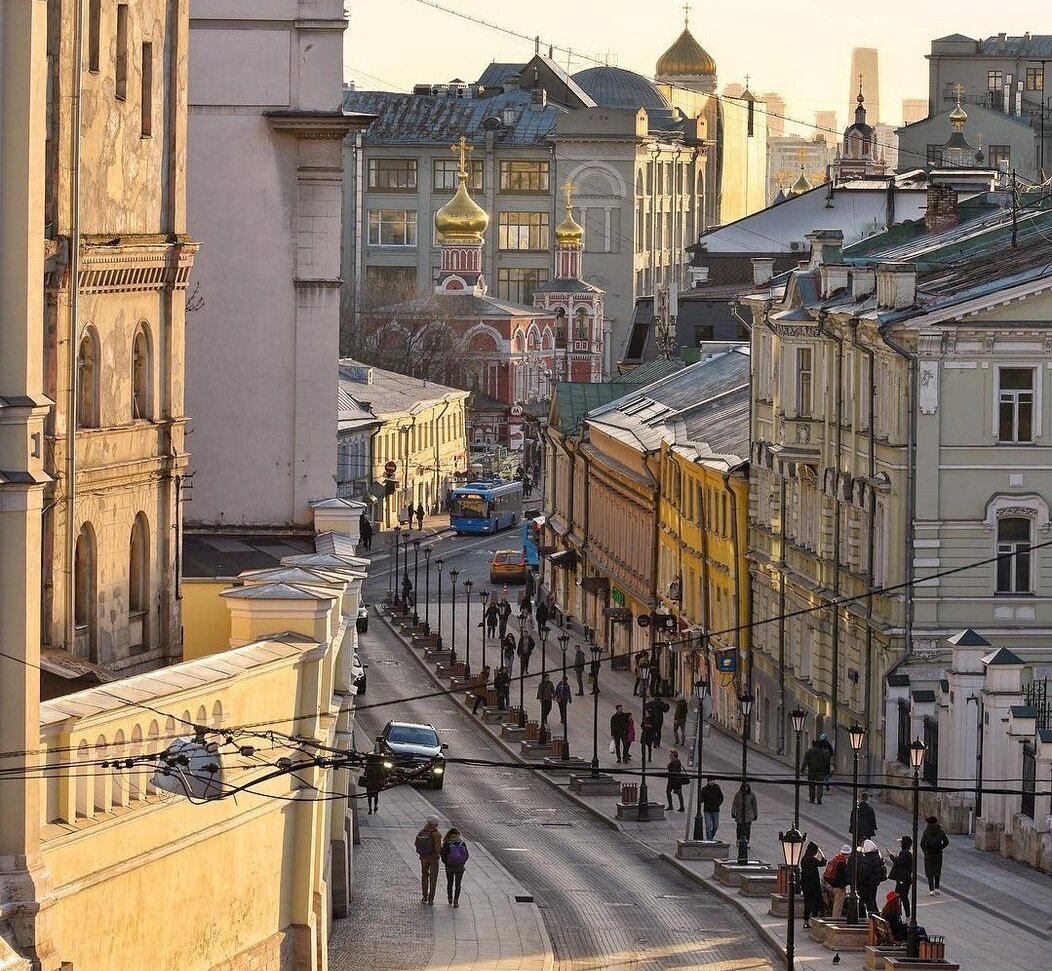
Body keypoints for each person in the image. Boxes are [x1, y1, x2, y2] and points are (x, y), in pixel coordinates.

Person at [414, 815, 442, 905]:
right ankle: (431, 899)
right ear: (436, 824)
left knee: (424, 876)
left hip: (423, 858)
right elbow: (438, 848)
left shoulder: (422, 832)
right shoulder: (437, 834)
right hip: (433, 859)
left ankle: (424, 896)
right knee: (433, 879)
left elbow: (416, 843)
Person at [800, 841, 827, 928]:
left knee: (807, 903)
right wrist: (821, 852)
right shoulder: (812, 859)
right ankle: (814, 922)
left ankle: (806, 921)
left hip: (805, 885)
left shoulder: (804, 859)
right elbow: (823, 863)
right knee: (816, 903)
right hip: (814, 885)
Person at [440, 827, 469, 907]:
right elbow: (466, 855)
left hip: (449, 866)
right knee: (458, 884)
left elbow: (443, 855)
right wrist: (462, 862)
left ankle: (450, 898)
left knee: (450, 883)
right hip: (460, 866)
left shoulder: (447, 843)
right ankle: (456, 901)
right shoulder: (462, 843)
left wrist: (446, 863)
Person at [857, 838, 887, 918]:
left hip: (866, 885)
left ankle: (870, 918)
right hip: (874, 883)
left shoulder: (868, 859)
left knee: (864, 902)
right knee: (872, 901)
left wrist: (859, 882)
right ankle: (876, 917)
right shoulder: (877, 856)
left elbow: (864, 873)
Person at [920, 815, 949, 894]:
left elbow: (922, 843)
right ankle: (937, 888)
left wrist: (925, 851)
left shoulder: (926, 831)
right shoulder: (940, 831)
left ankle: (931, 889)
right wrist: (940, 848)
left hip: (929, 854)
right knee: (937, 870)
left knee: (930, 871)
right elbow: (946, 842)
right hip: (938, 854)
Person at [886, 835, 913, 918]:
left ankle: (901, 915)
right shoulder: (908, 852)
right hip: (905, 878)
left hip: (903, 879)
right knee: (902, 897)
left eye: (901, 842)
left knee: (901, 897)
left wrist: (891, 855)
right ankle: (903, 914)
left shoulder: (905, 852)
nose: (900, 844)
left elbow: (899, 863)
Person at [824, 844, 851, 919]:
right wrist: (845, 884)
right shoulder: (842, 862)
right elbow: (841, 877)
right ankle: (835, 920)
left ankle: (835, 918)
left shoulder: (836, 858)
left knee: (835, 905)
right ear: (847, 854)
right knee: (838, 906)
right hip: (839, 888)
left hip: (831, 885)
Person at [801, 740, 832, 804]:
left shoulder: (809, 752)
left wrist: (802, 769)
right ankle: (819, 798)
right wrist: (826, 769)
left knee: (811, 785)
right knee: (820, 785)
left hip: (811, 770)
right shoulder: (822, 752)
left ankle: (812, 799)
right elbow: (826, 761)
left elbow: (805, 762)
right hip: (820, 770)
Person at [732, 782, 758, 848]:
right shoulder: (738, 794)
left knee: (747, 828)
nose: (745, 788)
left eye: (747, 787)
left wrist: (755, 814)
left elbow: (754, 805)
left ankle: (746, 841)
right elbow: (734, 803)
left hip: (748, 815)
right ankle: (738, 840)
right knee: (739, 828)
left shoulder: (752, 795)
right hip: (739, 814)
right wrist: (733, 812)